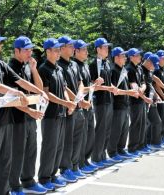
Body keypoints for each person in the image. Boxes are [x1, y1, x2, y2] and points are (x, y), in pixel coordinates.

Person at [0, 28, 46, 195]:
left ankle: (4, 191)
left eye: (0, 43)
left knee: (5, 161)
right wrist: (16, 92)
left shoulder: (1, 64)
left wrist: (40, 92)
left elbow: (19, 80)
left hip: (7, 119)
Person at [8, 36, 47, 195]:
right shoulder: (10, 68)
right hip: (16, 117)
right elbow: (12, 99)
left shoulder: (26, 66)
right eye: (26, 49)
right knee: (17, 153)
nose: (30, 52)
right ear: (16, 50)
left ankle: (29, 181)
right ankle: (14, 186)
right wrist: (30, 111)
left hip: (30, 116)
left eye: (31, 49)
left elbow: (39, 88)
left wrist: (34, 69)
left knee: (31, 151)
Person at [38, 38, 76, 191]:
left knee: (59, 146)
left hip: (61, 113)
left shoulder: (58, 68)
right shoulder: (43, 69)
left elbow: (65, 88)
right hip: (49, 115)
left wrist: (69, 103)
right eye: (55, 50)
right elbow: (46, 94)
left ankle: (53, 175)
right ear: (47, 51)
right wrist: (66, 103)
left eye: (59, 49)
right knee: (49, 147)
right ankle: (44, 177)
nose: (58, 52)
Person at [57, 36, 87, 181]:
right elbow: (64, 87)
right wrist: (75, 100)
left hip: (78, 105)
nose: (72, 49)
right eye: (70, 46)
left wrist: (80, 98)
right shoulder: (59, 65)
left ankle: (75, 166)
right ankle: (65, 168)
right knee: (67, 140)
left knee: (77, 138)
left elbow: (80, 83)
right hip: (69, 107)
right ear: (61, 48)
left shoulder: (74, 64)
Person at [107, 47, 139, 161]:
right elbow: (114, 90)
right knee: (116, 129)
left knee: (124, 129)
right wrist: (129, 92)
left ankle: (121, 149)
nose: (125, 58)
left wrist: (132, 92)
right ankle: (112, 151)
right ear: (116, 57)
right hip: (117, 105)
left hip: (125, 104)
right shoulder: (113, 71)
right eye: (123, 56)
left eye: (125, 56)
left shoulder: (123, 70)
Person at [89, 38, 116, 168]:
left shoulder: (106, 63)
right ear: (98, 49)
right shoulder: (94, 64)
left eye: (107, 47)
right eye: (104, 47)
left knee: (107, 129)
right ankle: (96, 157)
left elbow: (109, 83)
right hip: (100, 101)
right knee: (101, 129)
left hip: (108, 99)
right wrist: (107, 88)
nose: (107, 50)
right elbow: (93, 86)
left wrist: (113, 88)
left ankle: (102, 155)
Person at [73, 39, 98, 174]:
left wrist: (93, 86)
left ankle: (85, 161)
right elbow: (78, 88)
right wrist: (92, 87)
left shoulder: (84, 65)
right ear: (76, 51)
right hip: (81, 105)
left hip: (89, 104)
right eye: (84, 49)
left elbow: (86, 86)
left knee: (89, 135)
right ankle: (79, 163)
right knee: (81, 137)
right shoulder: (75, 66)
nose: (87, 52)